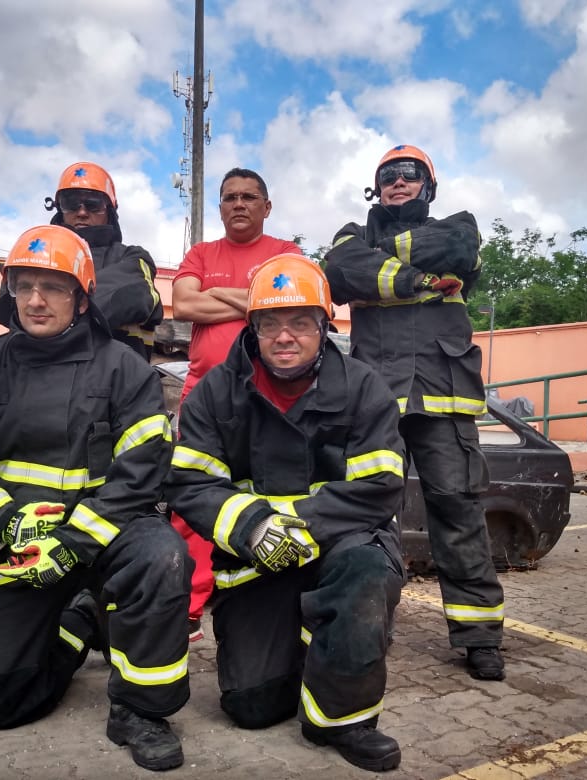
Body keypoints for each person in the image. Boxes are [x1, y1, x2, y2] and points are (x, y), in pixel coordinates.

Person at [0, 225, 191, 772]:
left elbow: (141, 470)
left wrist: (75, 540)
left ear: (82, 297)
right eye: (25, 286)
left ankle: (141, 710)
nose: (37, 300)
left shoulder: (124, 369)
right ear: (9, 292)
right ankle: (80, 623)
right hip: (19, 538)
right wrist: (4, 523)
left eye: (54, 287)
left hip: (110, 531)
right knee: (1, 704)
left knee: (162, 557)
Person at [167, 254, 406, 772]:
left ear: (324, 327)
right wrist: (255, 527)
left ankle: (345, 720)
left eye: (301, 322)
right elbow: (190, 481)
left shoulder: (363, 387)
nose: (285, 336)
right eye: (270, 322)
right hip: (257, 560)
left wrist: (301, 525)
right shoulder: (217, 391)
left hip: (338, 551)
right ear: (251, 328)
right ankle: (309, 647)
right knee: (252, 707)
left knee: (366, 570)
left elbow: (382, 485)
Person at [324, 144, 506, 681]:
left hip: (442, 395)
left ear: (427, 185)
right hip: (374, 399)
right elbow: (340, 271)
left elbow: (454, 245)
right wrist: (421, 279)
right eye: (387, 177)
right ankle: (366, 625)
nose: (397, 183)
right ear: (375, 188)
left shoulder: (460, 225)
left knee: (459, 509)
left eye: (408, 175)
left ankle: (480, 636)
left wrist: (384, 266)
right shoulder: (349, 236)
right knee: (369, 512)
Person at [170, 168, 302, 639]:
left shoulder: (286, 254)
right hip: (202, 393)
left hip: (268, 394)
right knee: (191, 495)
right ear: (221, 206)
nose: (238, 204)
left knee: (262, 489)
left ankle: (256, 590)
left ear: (267, 207)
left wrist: (214, 293)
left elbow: (285, 304)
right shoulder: (201, 252)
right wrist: (249, 300)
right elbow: (182, 305)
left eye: (249, 197)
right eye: (229, 198)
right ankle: (187, 604)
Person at [44, 161, 163, 360]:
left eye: (93, 204)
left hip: (118, 383)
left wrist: (53, 304)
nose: (82, 212)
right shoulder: (41, 254)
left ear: (110, 210)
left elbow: (136, 296)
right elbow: (13, 299)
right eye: (71, 203)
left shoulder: (134, 257)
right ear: (59, 209)